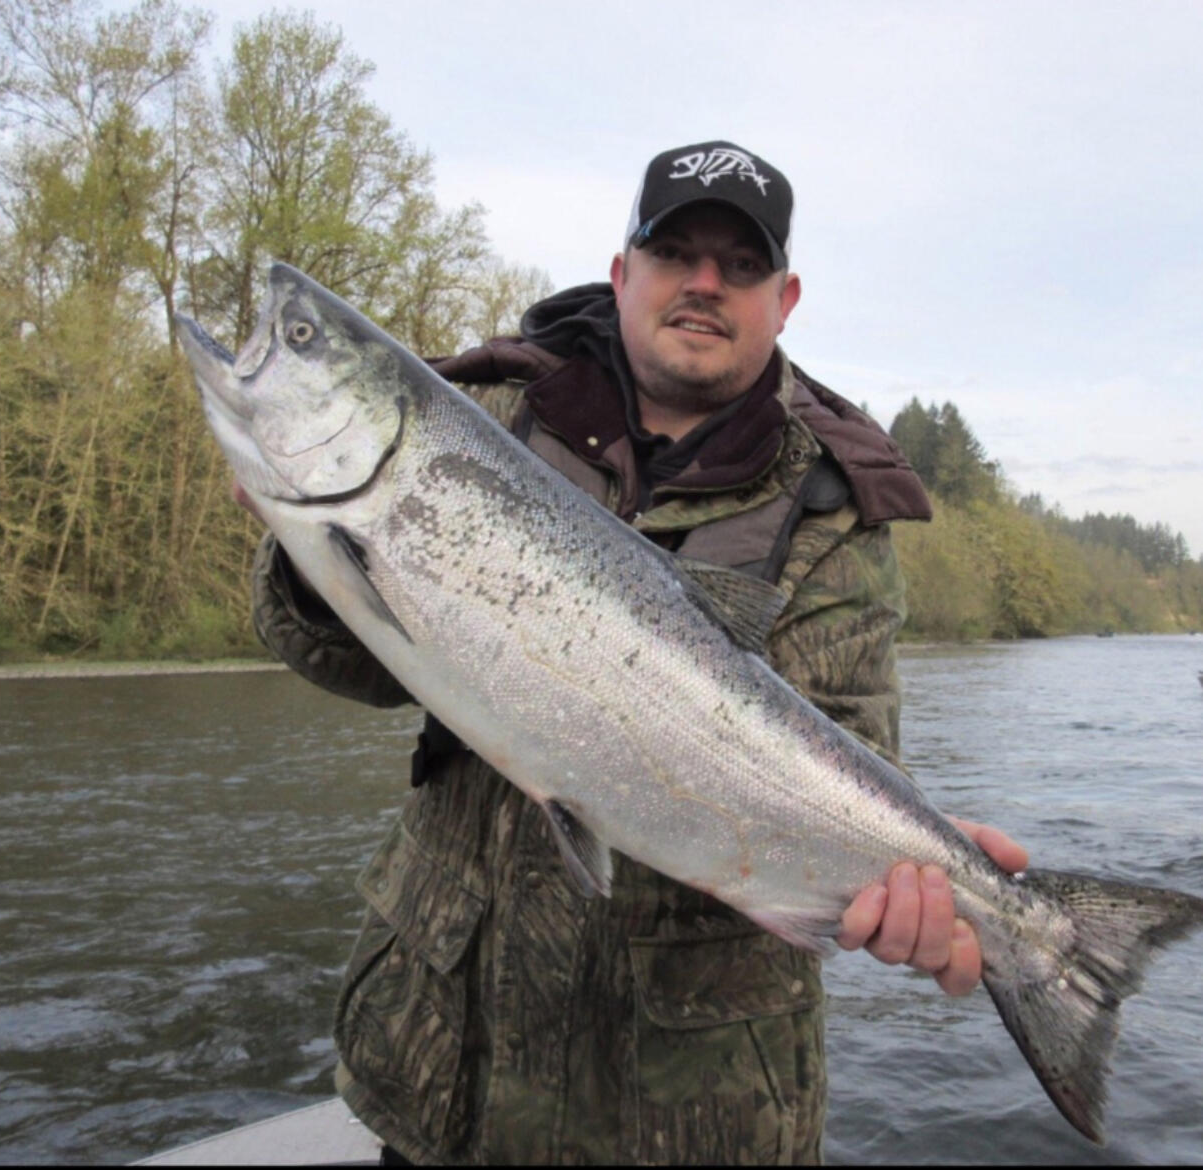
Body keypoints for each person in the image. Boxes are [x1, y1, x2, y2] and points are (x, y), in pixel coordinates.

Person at [244, 140, 1027, 1165]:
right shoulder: (485, 421)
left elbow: (843, 742)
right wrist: (320, 563)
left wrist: (906, 880)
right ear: (622, 274)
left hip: (689, 1113)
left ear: (782, 299)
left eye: (738, 266)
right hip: (443, 1069)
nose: (704, 283)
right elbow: (357, 666)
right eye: (673, 252)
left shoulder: (837, 506)